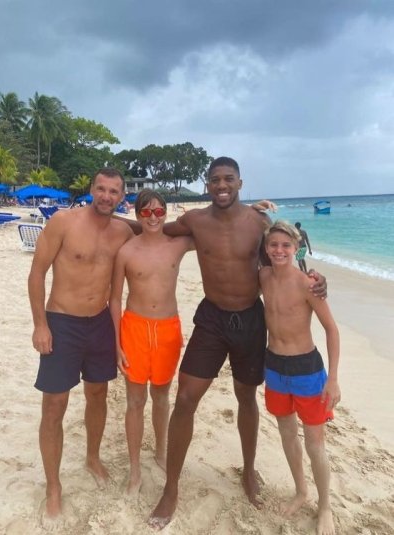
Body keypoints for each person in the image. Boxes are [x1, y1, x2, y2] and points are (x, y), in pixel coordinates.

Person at [148, 156, 327, 529]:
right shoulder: (195, 221)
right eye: (215, 179)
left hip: (249, 319)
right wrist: (112, 222)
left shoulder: (258, 222)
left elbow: (282, 260)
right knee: (186, 398)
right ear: (207, 184)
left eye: (228, 179)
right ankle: (171, 487)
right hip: (212, 319)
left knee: (246, 397)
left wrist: (316, 280)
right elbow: (154, 228)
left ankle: (248, 470)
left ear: (240, 183)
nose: (221, 185)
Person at [28, 167, 133, 524]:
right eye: (101, 189)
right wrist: (40, 324)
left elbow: (162, 230)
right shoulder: (64, 222)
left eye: (114, 191)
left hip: (100, 322)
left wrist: (244, 213)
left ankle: (92, 457)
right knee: (54, 405)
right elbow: (37, 272)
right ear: (91, 189)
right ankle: (53, 486)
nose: (106, 196)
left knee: (98, 394)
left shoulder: (123, 231)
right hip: (62, 323)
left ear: (122, 196)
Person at [109, 189, 194, 496]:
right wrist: (116, 343)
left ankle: (161, 451)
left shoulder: (178, 245)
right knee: (135, 401)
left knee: (161, 395)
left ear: (166, 213)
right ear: (138, 215)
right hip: (134, 328)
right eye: (147, 212)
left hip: (168, 329)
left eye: (159, 212)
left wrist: (253, 212)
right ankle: (134, 469)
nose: (153, 217)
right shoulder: (126, 251)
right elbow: (115, 298)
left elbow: (218, 231)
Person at [259, 221, 340, 535]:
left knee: (315, 444)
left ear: (296, 248)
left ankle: (325, 506)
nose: (279, 250)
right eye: (274, 245)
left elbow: (331, 330)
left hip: (307, 369)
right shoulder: (263, 277)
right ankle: (301, 491)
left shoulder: (308, 284)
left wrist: (333, 379)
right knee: (287, 434)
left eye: (286, 245)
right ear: (266, 248)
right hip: (275, 367)